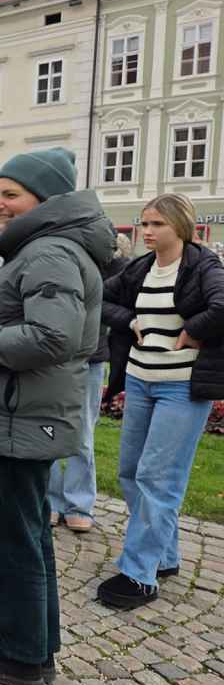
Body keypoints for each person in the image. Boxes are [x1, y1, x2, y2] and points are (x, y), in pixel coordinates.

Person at [0, 148, 115, 685]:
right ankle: (30, 644)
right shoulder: (50, 247)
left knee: (9, 539)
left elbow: (53, 337)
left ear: (44, 200)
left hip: (21, 415)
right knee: (27, 534)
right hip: (23, 412)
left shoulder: (50, 252)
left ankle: (21, 660)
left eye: (10, 194)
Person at [97, 194, 224, 609]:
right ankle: (165, 555)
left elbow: (222, 306)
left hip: (180, 387)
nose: (146, 231)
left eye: (156, 224)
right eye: (144, 223)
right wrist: (130, 320)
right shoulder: (140, 268)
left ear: (180, 226)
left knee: (158, 477)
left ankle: (140, 574)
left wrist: (194, 329)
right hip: (139, 380)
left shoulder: (203, 267)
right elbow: (102, 299)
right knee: (132, 472)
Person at [47, 232, 131, 532]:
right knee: (50, 430)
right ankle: (51, 500)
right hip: (55, 358)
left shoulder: (113, 269)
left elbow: (116, 306)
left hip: (90, 358)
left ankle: (79, 503)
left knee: (82, 433)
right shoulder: (58, 261)